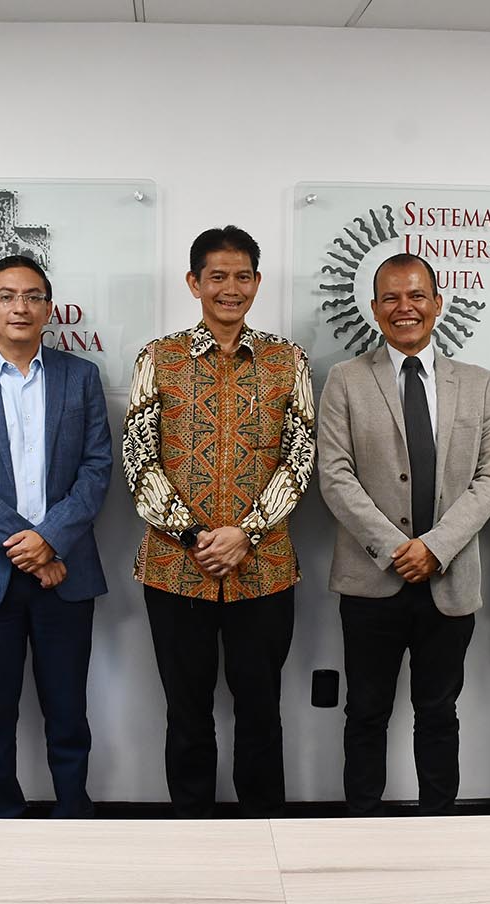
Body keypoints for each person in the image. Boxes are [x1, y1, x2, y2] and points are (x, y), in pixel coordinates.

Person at [123, 225, 315, 818]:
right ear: (194, 283)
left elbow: (300, 455)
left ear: (257, 282)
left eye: (242, 277)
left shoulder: (288, 360)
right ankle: (192, 835)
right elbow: (138, 456)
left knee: (261, 710)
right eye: (217, 277)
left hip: (264, 570)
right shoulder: (158, 358)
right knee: (187, 712)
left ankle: (266, 832)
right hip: (177, 570)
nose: (231, 289)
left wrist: (247, 533)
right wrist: (194, 535)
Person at [318, 253, 490, 815]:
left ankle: (439, 827)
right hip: (371, 579)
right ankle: (362, 826)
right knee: (365, 712)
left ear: (438, 304)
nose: (406, 308)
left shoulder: (479, 384)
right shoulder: (345, 380)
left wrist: (435, 548)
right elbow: (335, 475)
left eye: (417, 295)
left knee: (439, 713)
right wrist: (396, 548)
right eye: (392, 298)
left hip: (450, 581)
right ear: (375, 308)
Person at [0, 254, 111, 818]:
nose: (20, 307)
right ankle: (0, 824)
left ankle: (73, 816)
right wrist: (33, 548)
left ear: (48, 309)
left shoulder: (80, 377)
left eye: (32, 296)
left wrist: (51, 540)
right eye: (6, 296)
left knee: (69, 713)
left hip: (65, 573)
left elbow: (96, 468)